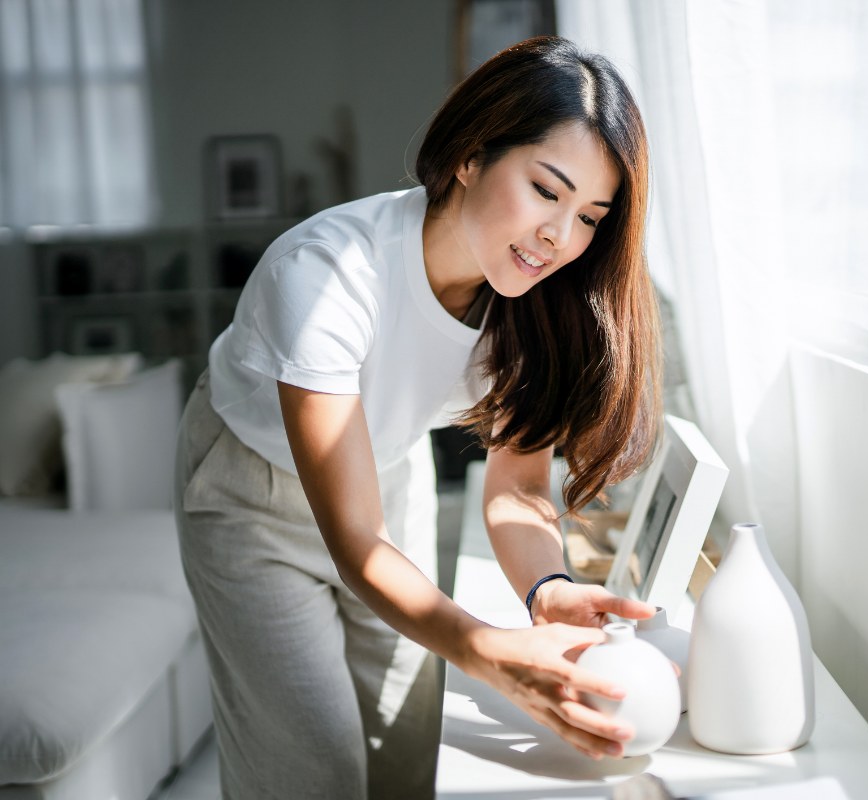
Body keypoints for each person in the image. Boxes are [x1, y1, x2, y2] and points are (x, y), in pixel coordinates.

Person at [174, 36, 663, 799]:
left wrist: (550, 589)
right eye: (546, 189)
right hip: (250, 495)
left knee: (409, 748)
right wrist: (487, 651)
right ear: (471, 154)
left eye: (590, 216)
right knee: (312, 770)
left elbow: (517, 482)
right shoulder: (325, 276)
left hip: (381, 471)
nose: (559, 237)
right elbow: (356, 540)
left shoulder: (537, 309)